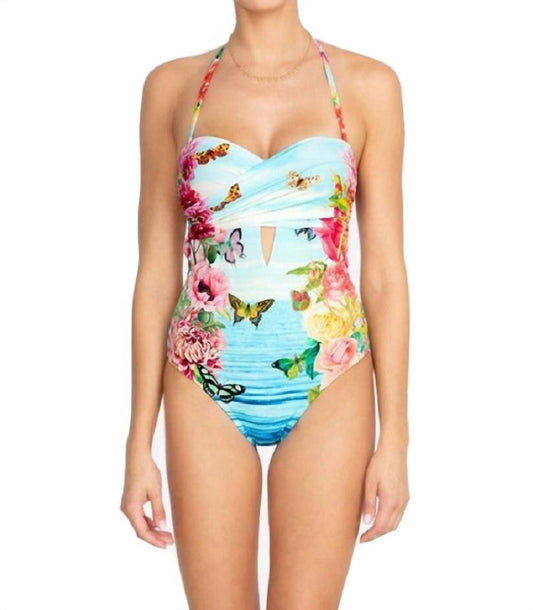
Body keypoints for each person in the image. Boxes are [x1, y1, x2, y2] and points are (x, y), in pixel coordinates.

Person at [120, 1, 410, 607]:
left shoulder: (367, 86)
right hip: (203, 382)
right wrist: (137, 444)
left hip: (330, 383)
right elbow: (155, 276)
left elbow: (384, 276)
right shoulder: (171, 89)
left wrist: (396, 441)